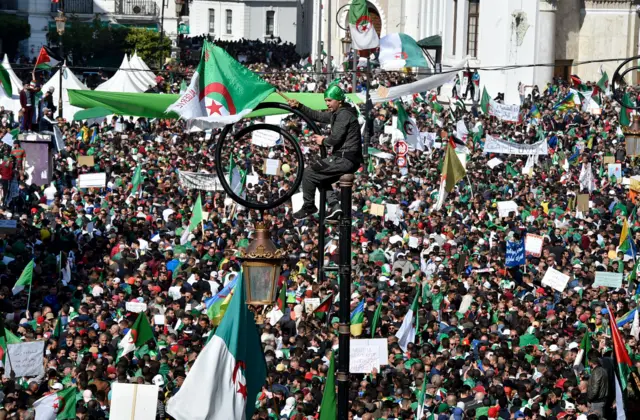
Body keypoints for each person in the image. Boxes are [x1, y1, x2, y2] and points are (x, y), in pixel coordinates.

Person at [286, 83, 362, 220]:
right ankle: (335, 207)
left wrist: (324, 141)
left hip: (344, 159)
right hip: (346, 159)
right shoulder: (337, 113)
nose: (327, 104)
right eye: (326, 101)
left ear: (339, 100)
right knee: (320, 177)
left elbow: (336, 138)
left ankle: (309, 205)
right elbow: (319, 116)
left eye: (330, 100)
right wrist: (300, 106)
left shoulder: (344, 114)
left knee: (309, 173)